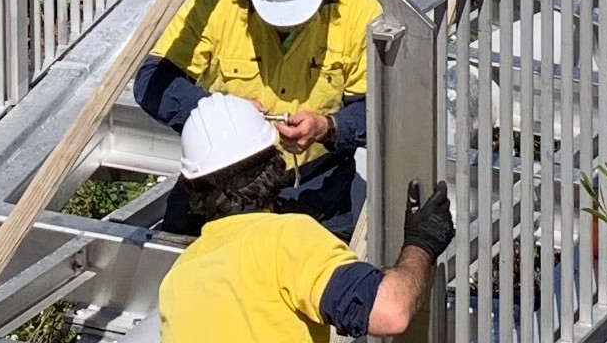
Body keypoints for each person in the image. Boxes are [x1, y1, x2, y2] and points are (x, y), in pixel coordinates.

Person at [136, 0, 382, 238]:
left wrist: (329, 127)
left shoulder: (358, 9)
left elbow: (380, 109)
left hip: (317, 187)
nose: (286, 24)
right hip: (220, 185)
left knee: (330, 280)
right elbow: (152, 81)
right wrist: (223, 117)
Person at [159, 92, 455, 343]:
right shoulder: (286, 239)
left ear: (193, 188)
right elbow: (390, 311)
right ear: (275, 165)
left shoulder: (177, 279)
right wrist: (421, 245)